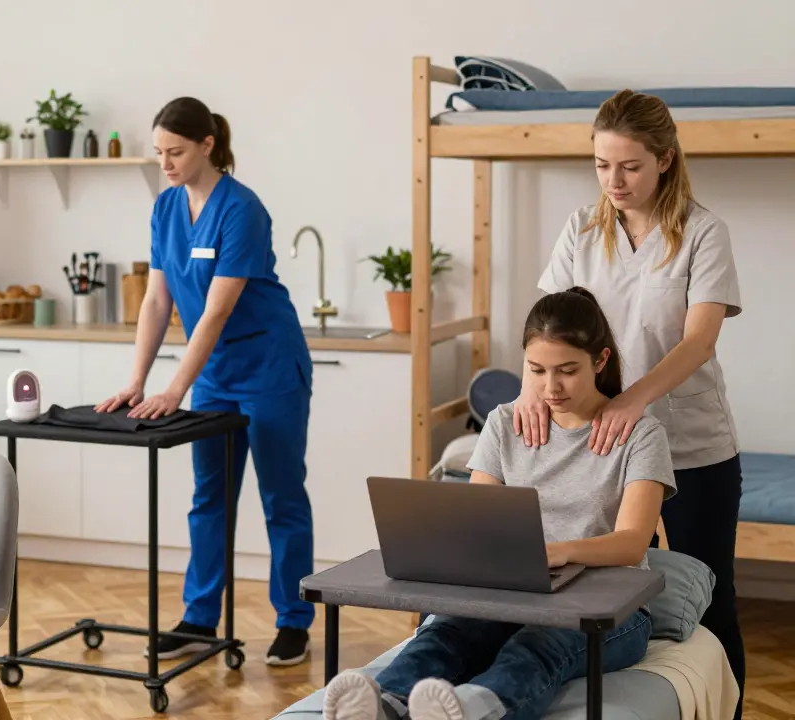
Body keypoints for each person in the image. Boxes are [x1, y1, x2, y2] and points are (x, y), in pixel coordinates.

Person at [323, 287, 675, 720]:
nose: (551, 387)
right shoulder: (504, 424)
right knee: (445, 636)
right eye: (537, 370)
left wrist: (557, 552)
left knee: (537, 646)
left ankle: (473, 711)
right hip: (512, 593)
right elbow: (477, 521)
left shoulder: (641, 434)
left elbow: (632, 543)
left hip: (608, 608)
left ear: (600, 361)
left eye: (567, 370)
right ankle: (386, 704)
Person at [524, 89, 746, 716]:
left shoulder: (703, 231)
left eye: (630, 166)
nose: (613, 181)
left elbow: (699, 339)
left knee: (710, 596)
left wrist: (631, 403)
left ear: (665, 160)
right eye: (601, 165)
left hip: (691, 439)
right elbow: (548, 325)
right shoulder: (582, 228)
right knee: (603, 586)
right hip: (603, 447)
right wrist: (529, 394)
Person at [95, 97, 315, 666]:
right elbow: (156, 299)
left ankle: (294, 620)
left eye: (176, 152)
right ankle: (199, 618)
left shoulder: (242, 209)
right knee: (209, 496)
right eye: (159, 152)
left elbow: (215, 311)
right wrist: (138, 380)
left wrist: (174, 390)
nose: (165, 163)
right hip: (214, 372)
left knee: (281, 497)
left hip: (268, 367)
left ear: (208, 146)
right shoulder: (166, 208)